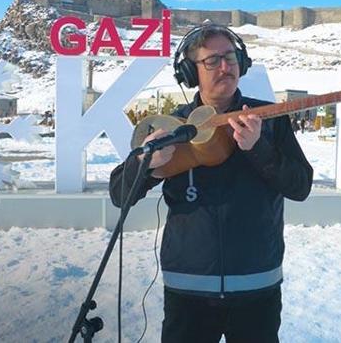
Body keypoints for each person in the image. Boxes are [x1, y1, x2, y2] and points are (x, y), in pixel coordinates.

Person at [109, 24, 314, 343]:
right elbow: (118, 193)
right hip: (188, 290)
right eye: (212, 60)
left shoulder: (270, 119)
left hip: (256, 286)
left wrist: (258, 149)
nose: (225, 67)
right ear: (191, 72)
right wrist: (145, 164)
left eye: (230, 57)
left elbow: (300, 187)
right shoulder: (173, 127)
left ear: (242, 63)